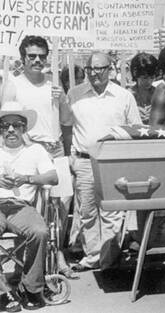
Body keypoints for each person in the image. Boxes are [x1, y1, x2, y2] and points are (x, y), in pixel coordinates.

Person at [0, 36, 75, 279]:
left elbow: (66, 121)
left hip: (55, 149)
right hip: (30, 148)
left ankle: (58, 253)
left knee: (61, 203)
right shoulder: (13, 84)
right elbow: (7, 119)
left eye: (42, 56)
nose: (37, 60)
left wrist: (62, 99)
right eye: (32, 56)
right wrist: (26, 140)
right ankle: (29, 260)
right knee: (32, 204)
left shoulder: (53, 84)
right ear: (23, 59)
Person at [66, 52, 142, 272]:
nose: (95, 73)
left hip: (112, 163)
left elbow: (134, 129)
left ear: (110, 68)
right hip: (83, 161)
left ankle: (108, 261)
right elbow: (68, 128)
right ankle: (93, 257)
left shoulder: (123, 96)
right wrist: (71, 156)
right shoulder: (74, 94)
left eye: (100, 68)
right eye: (90, 69)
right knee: (87, 212)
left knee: (112, 213)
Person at [0, 102, 58, 310]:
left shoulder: (36, 150)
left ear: (24, 128)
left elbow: (53, 177)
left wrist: (27, 178)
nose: (10, 130)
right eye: (5, 126)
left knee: (40, 231)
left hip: (21, 206)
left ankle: (31, 287)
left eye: (16, 125)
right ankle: (3, 292)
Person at [129, 52, 158, 125]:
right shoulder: (127, 95)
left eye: (152, 77)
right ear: (136, 75)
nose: (149, 81)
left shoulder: (160, 94)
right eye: (144, 78)